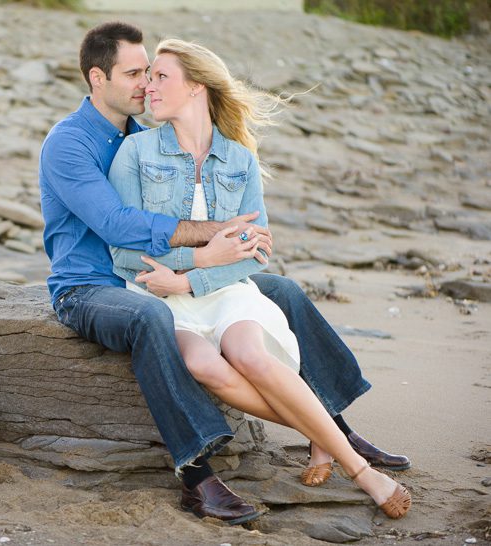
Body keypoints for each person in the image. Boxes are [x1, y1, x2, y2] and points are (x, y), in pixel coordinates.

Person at [38, 21, 409, 524]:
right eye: (134, 73)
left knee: (279, 290)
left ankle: (334, 426)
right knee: (152, 319)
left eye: (150, 72)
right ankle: (197, 475)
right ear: (96, 78)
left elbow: (235, 236)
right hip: (90, 286)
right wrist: (212, 242)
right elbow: (115, 225)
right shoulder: (71, 143)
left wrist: (214, 260)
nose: (145, 83)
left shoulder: (146, 138)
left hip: (156, 278)